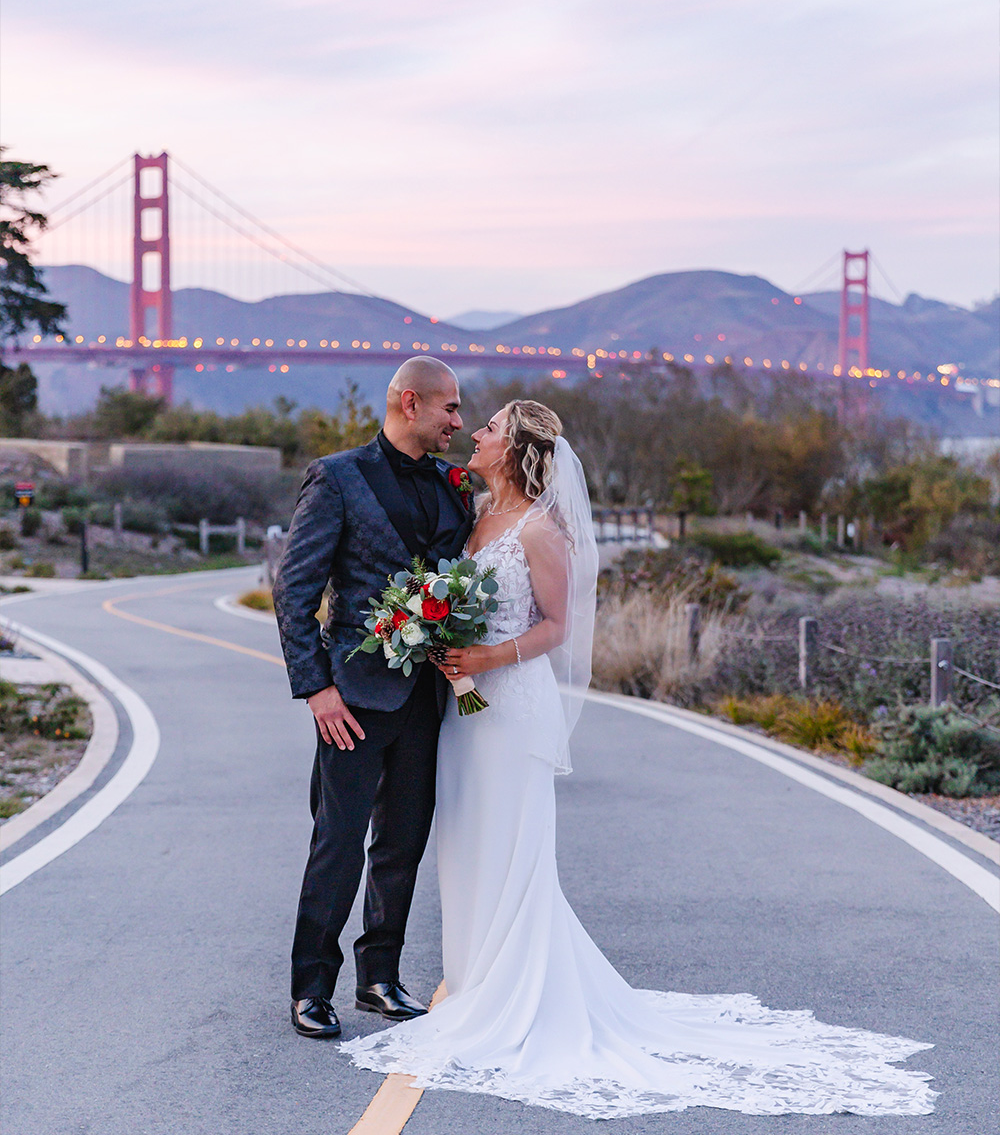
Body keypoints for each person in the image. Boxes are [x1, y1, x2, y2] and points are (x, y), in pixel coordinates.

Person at [340, 398, 937, 1119]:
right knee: (467, 843)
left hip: (510, 706)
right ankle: (475, 984)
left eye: (490, 427)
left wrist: (491, 653)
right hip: (466, 710)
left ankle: (514, 993)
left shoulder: (541, 529)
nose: (475, 432)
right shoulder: (475, 518)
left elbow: (558, 627)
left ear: (516, 447)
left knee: (511, 846)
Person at [272, 357, 474, 1038]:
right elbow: (294, 592)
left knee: (402, 844)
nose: (458, 422)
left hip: (427, 699)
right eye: (449, 409)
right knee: (337, 842)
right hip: (352, 699)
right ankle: (311, 989)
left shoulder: (454, 484)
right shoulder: (338, 477)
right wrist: (317, 688)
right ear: (409, 403)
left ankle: (379, 979)